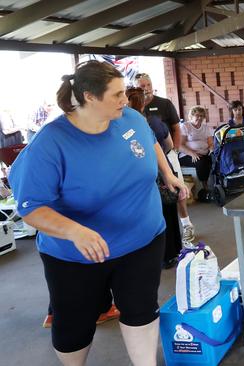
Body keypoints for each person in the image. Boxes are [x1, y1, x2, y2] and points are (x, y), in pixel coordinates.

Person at [8, 60, 187, 366]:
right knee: (74, 324)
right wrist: (74, 231)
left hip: (143, 240)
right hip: (78, 255)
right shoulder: (50, 144)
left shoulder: (128, 117)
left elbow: (149, 140)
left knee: (141, 308)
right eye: (116, 94)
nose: (125, 98)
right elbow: (31, 209)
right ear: (90, 97)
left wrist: (168, 173)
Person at [126, 87, 183, 269]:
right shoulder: (153, 122)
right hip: (161, 169)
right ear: (143, 103)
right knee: (167, 212)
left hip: (140, 176)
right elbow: (169, 144)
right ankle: (171, 253)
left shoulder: (123, 126)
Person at [135, 72, 195, 241]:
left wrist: (174, 150)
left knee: (177, 191)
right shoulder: (133, 107)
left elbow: (176, 128)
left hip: (168, 154)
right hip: (145, 160)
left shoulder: (164, 104)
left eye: (148, 85)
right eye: (142, 86)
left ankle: (186, 224)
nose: (146, 89)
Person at [178, 106, 214, 192]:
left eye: (202, 116)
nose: (200, 117)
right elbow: (180, 145)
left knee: (215, 161)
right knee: (201, 163)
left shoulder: (206, 128)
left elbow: (211, 144)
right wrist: (192, 153)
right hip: (186, 155)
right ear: (191, 116)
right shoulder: (185, 126)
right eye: (197, 115)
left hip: (204, 154)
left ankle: (216, 185)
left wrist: (212, 150)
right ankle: (205, 187)